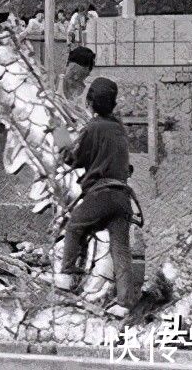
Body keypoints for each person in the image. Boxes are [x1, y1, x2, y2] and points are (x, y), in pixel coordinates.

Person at [50, 77, 138, 317]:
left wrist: (59, 134)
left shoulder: (93, 127)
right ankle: (124, 303)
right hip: (122, 197)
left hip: (101, 195)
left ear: (89, 103)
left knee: (75, 227)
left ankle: (66, 277)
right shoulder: (119, 128)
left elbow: (73, 159)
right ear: (113, 103)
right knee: (121, 250)